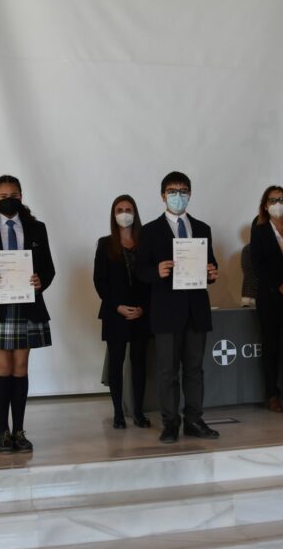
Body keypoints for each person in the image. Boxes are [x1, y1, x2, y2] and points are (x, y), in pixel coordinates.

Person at [0, 175, 56, 454]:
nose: (9, 200)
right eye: (3, 196)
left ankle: (19, 430)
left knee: (20, 368)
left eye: (14, 194)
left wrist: (42, 280)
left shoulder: (37, 228)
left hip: (27, 305)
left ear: (21, 195)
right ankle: (2, 431)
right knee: (2, 369)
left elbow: (49, 268)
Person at [136, 171, 219, 444]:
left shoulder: (203, 228)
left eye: (183, 191)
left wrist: (212, 272)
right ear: (163, 195)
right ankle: (170, 422)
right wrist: (155, 271)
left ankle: (194, 419)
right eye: (173, 191)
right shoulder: (148, 231)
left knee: (195, 369)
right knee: (167, 371)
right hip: (166, 311)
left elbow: (211, 264)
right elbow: (139, 270)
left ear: (190, 194)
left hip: (196, 309)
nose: (178, 196)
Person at [93, 195, 151, 429]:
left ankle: (138, 412)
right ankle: (118, 412)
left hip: (141, 312)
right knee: (116, 364)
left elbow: (151, 279)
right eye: (119, 209)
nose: (124, 213)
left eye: (128, 209)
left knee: (139, 364)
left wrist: (143, 307)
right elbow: (100, 281)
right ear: (113, 214)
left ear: (135, 213)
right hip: (115, 312)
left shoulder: (145, 241)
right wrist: (117, 306)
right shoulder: (105, 244)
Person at [249, 185, 283, 413]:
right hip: (270, 297)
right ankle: (272, 394)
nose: (277, 203)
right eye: (272, 200)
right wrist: (279, 286)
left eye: (281, 199)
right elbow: (258, 265)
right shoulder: (259, 231)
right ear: (265, 205)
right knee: (271, 348)